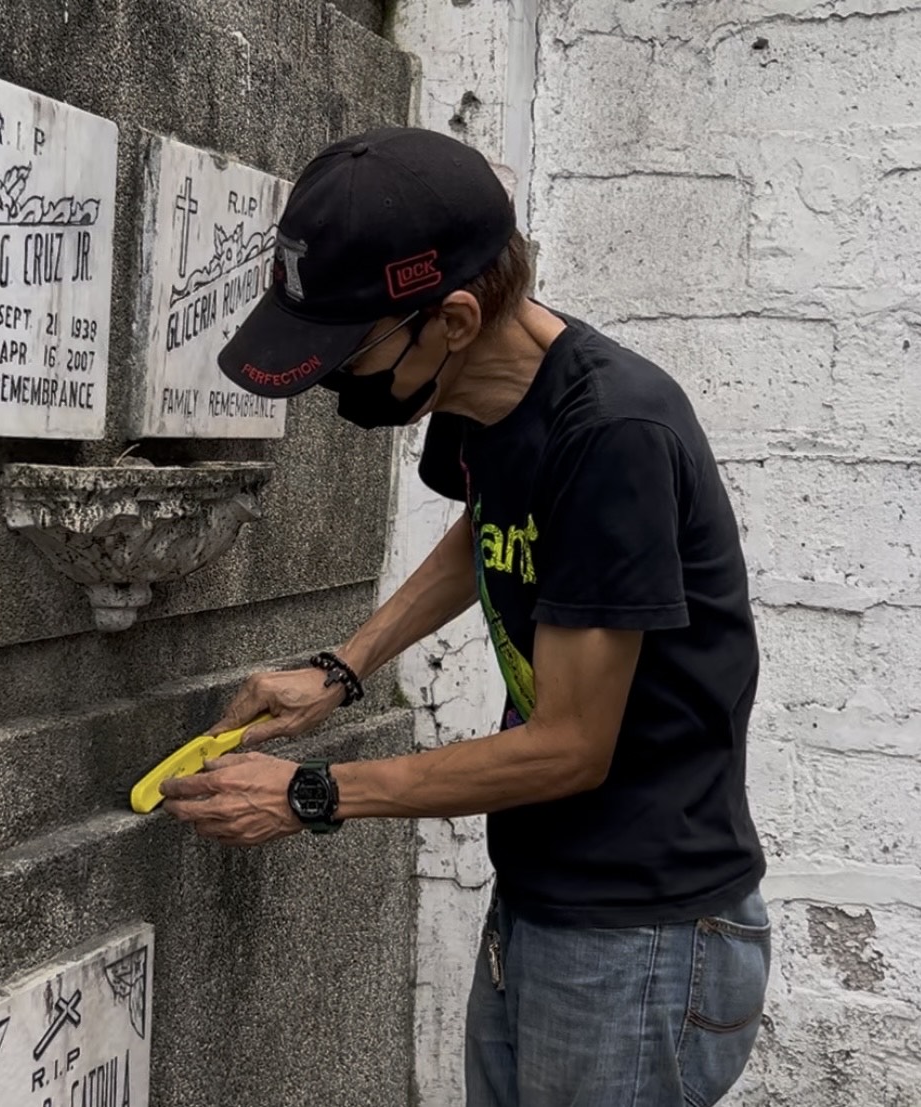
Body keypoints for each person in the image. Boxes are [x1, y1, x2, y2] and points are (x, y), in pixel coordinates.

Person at [158, 126, 772, 1107]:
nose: (328, 383)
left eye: (346, 352)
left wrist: (311, 794)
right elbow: (484, 523)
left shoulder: (613, 434)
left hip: (642, 931)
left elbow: (572, 746)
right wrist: (343, 668)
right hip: (547, 895)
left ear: (449, 318)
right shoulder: (485, 394)